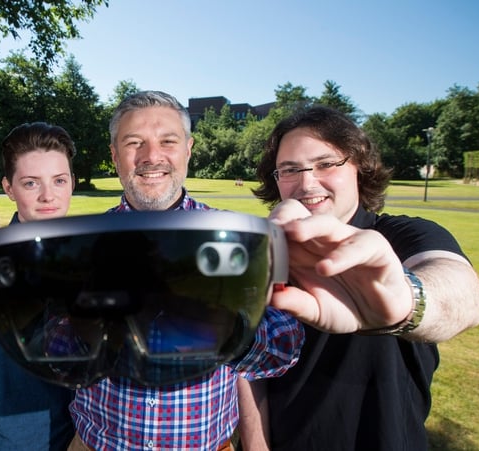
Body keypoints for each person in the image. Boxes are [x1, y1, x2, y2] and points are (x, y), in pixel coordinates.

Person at [66, 90, 305, 451]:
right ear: (115, 155)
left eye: (168, 141)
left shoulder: (241, 238)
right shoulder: (79, 244)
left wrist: (222, 328)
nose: (152, 157)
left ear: (188, 149)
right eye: (134, 143)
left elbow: (286, 345)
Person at [239, 105, 479, 450]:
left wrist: (406, 301)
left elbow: (463, 295)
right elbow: (250, 369)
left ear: (358, 166)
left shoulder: (405, 236)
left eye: (326, 164)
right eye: (290, 169)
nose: (307, 182)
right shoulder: (269, 250)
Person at [0, 122, 77, 450]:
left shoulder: (90, 250)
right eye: (31, 183)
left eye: (59, 180)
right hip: (13, 435)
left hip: (84, 433)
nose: (48, 196)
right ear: (9, 188)